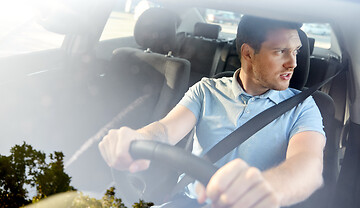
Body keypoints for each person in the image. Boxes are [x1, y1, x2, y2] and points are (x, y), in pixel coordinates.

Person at [98, 15, 326, 208]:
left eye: (295, 51)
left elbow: (308, 166)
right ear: (248, 53)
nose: (293, 63)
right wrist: (138, 137)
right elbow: (165, 130)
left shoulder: (302, 106)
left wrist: (269, 187)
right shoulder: (206, 91)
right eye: (281, 51)